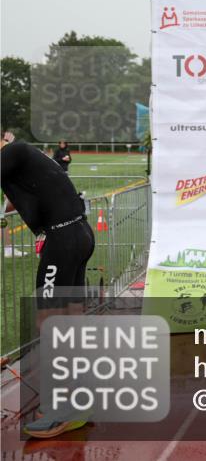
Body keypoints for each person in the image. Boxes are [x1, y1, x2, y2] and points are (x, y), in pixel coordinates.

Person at [1, 131, 95, 439]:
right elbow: (24, 198)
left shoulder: (13, 153)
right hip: (78, 233)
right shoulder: (24, 155)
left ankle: (64, 407)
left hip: (63, 240)